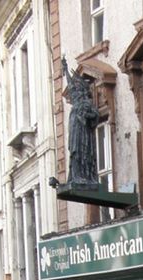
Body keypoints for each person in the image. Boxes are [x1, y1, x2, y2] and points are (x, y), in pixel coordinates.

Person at [62, 55, 99, 185]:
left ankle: (87, 176)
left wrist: (88, 116)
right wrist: (65, 70)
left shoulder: (87, 102)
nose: (75, 89)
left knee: (85, 152)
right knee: (76, 151)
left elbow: (95, 115)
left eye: (79, 88)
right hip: (75, 128)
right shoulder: (77, 99)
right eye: (76, 88)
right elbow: (70, 84)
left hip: (84, 131)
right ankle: (76, 176)